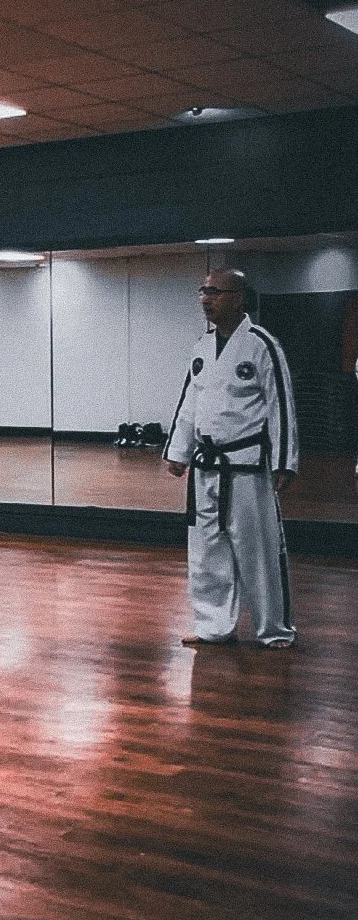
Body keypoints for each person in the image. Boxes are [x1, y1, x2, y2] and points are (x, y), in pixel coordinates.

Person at [164, 269, 298, 649]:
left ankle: (275, 630)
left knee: (260, 552)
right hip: (207, 466)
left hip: (247, 466)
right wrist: (179, 451)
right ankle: (213, 626)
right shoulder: (201, 348)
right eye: (203, 291)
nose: (207, 298)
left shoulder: (261, 344)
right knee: (207, 551)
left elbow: (281, 406)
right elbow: (190, 404)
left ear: (239, 298)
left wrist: (284, 461)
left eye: (216, 292)